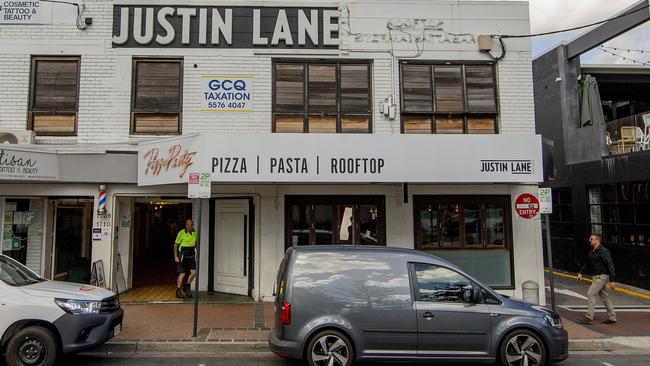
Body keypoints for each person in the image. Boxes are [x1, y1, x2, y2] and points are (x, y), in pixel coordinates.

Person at [577, 234, 617, 324]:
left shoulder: (604, 251)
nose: (589, 240)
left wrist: (612, 280)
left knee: (591, 293)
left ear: (597, 240)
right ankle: (612, 317)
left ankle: (589, 317)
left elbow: (610, 265)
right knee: (604, 297)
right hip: (596, 276)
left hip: (602, 276)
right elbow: (587, 262)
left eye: (591, 239)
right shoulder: (592, 250)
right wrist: (581, 273)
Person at [174, 218, 197, 299]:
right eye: (188, 225)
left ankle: (187, 287)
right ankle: (178, 290)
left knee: (194, 273)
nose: (189, 226)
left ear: (193, 225)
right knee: (182, 273)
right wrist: (176, 256)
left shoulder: (195, 233)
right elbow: (176, 245)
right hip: (182, 256)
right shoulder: (181, 233)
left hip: (191, 256)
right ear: (186, 225)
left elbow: (196, 244)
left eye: (191, 225)